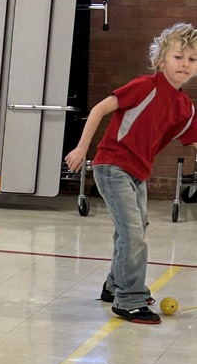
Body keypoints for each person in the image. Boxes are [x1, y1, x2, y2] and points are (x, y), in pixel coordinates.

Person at [65, 22, 197, 325]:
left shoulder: (185, 108)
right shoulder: (144, 87)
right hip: (112, 166)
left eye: (192, 59)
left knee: (135, 228)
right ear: (162, 58)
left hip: (138, 172)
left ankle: (115, 286)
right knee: (132, 233)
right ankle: (130, 299)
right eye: (178, 57)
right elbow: (99, 109)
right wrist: (82, 149)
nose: (185, 65)